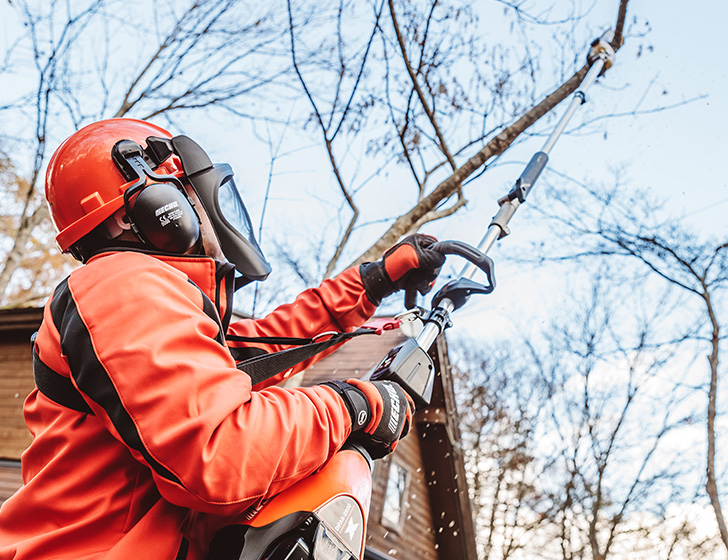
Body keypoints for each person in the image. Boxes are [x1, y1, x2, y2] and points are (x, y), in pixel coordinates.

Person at [0, 118, 445, 559]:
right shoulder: (121, 284)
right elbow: (219, 451)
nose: (208, 205)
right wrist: (354, 406)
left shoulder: (142, 302)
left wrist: (372, 282)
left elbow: (256, 352)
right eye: (189, 190)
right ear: (151, 207)